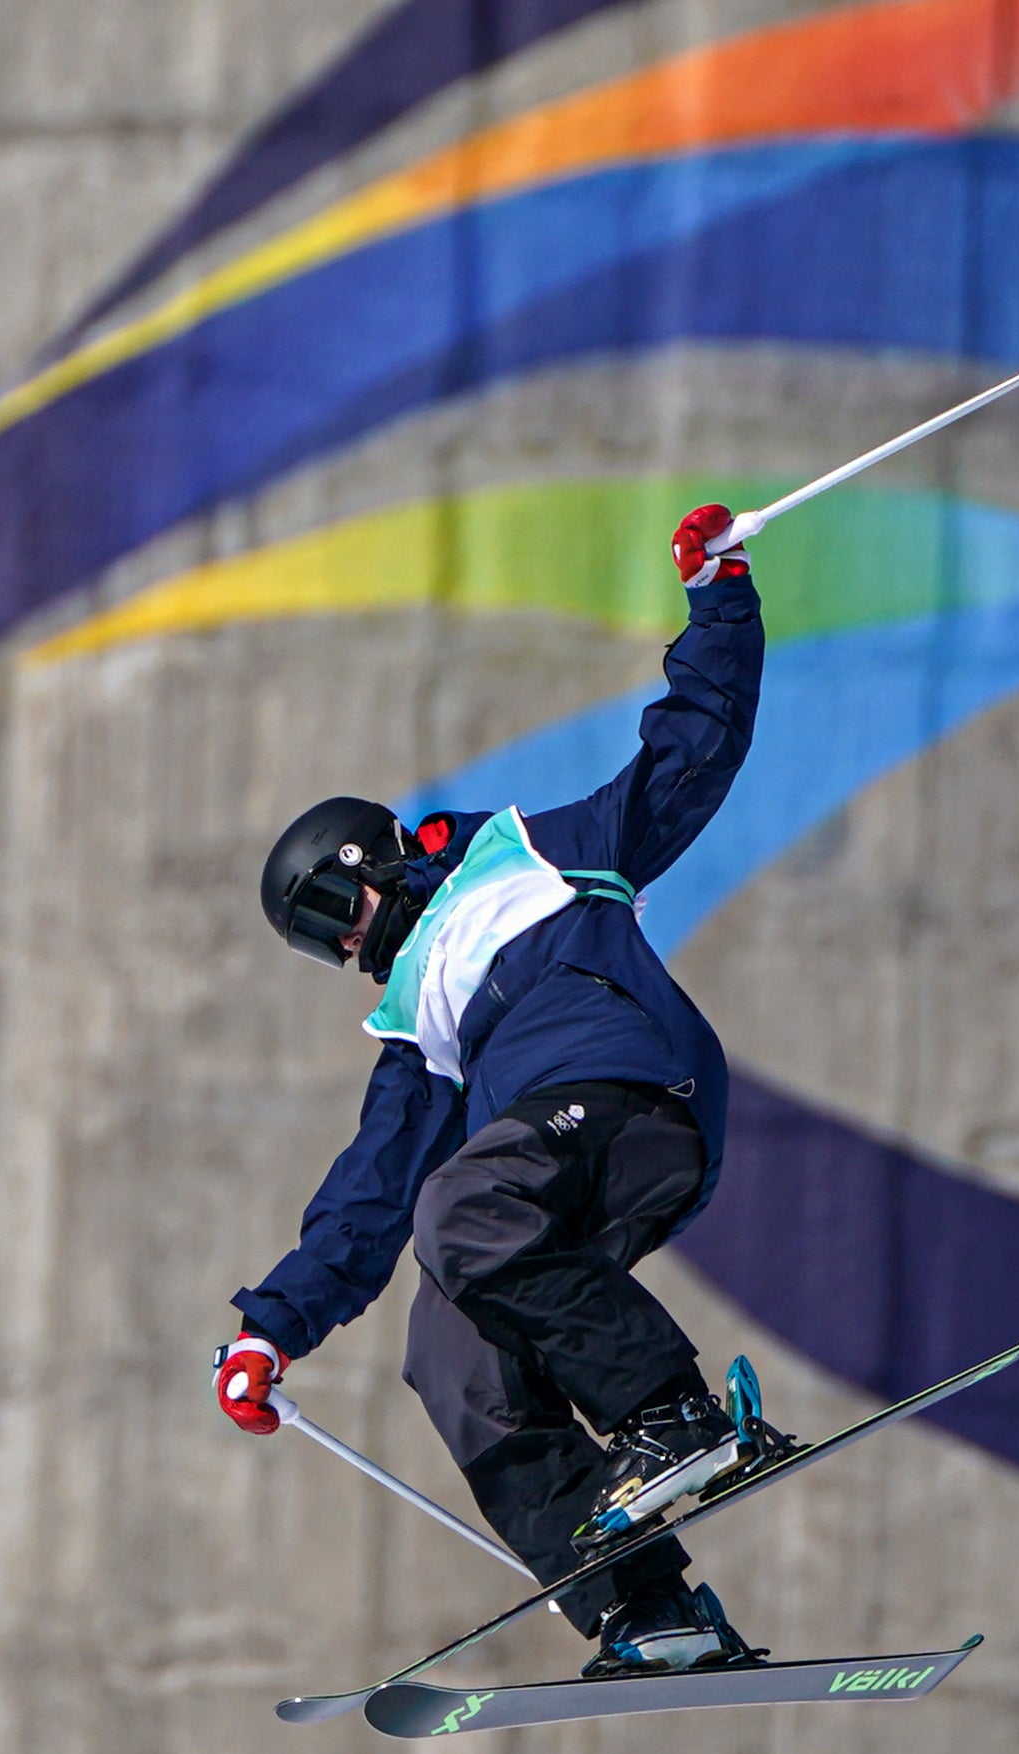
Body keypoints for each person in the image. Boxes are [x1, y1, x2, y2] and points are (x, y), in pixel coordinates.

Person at [213, 505, 772, 1675]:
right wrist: (272, 1329)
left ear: (373, 861)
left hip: (629, 1089)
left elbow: (690, 751)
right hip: (551, 1160)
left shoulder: (530, 855)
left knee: (465, 1210)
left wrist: (719, 597)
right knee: (447, 1348)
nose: (345, 946)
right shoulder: (416, 1028)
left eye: (331, 910)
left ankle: (671, 1414)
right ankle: (641, 1607)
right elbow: (364, 1204)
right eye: (318, 944)